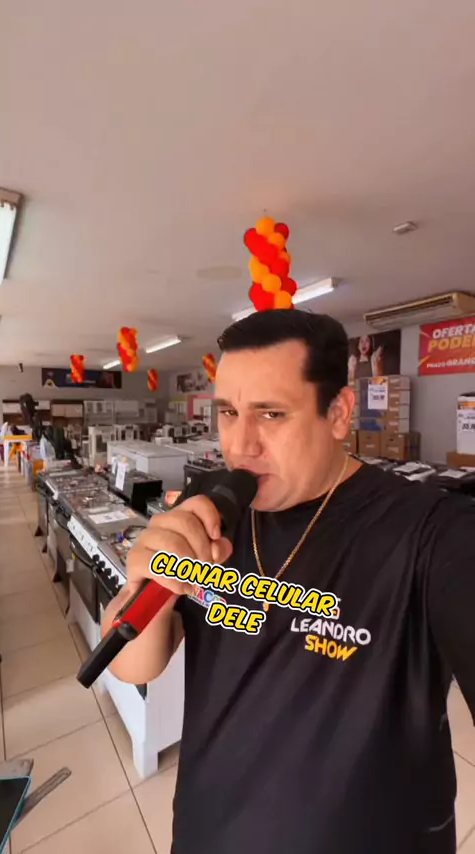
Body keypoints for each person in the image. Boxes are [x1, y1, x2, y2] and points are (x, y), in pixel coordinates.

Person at [101, 309, 475, 854]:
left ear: (339, 413)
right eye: (229, 412)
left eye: (271, 414)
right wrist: (144, 577)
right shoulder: (212, 507)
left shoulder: (431, 531)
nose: (241, 445)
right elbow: (132, 664)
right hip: (206, 832)